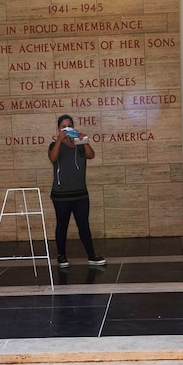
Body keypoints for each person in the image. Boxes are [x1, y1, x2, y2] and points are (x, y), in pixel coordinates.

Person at [47, 113, 105, 267]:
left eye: (69, 125)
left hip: (80, 195)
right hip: (61, 196)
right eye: (63, 126)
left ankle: (92, 255)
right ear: (59, 128)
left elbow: (91, 155)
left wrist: (84, 141)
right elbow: (53, 158)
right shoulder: (54, 145)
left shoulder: (79, 145)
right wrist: (60, 140)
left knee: (84, 225)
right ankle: (61, 256)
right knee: (62, 225)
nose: (66, 128)